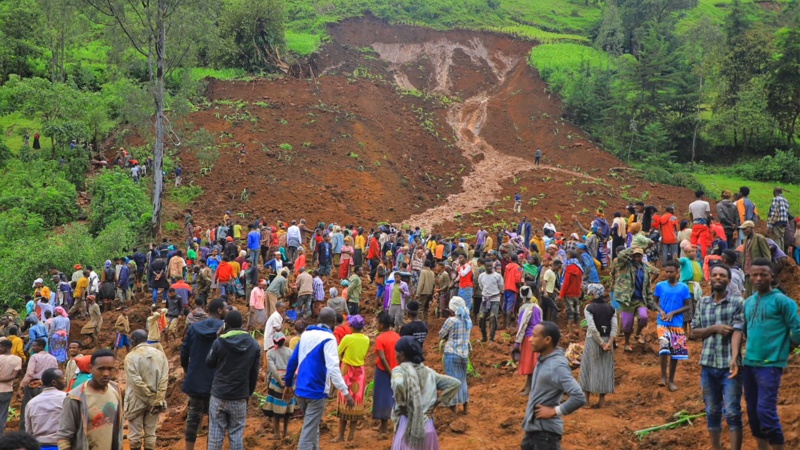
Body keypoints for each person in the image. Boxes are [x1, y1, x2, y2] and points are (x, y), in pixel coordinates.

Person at [735, 258, 800, 449]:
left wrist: (784, 349)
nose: (758, 278)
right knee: (754, 413)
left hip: (771, 365)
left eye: (763, 274)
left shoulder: (782, 301)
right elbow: (744, 330)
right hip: (750, 363)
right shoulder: (748, 302)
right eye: (754, 275)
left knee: (765, 411)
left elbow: (797, 330)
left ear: (772, 276)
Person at [690, 265, 744, 450]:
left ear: (729, 280)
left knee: (732, 412)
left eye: (723, 275)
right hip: (707, 364)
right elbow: (694, 332)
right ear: (710, 279)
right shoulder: (702, 302)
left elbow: (738, 330)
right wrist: (714, 329)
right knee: (712, 410)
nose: (718, 278)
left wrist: (734, 358)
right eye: (715, 275)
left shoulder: (738, 302)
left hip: (730, 366)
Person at [284, 307, 353, 450]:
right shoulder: (329, 339)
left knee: (312, 426)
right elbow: (333, 368)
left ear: (319, 319)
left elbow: (292, 361)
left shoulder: (305, 335)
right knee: (308, 431)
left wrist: (288, 384)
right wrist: (345, 392)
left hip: (300, 390)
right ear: (333, 322)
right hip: (316, 391)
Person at [521, 321, 586, 449]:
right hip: (533, 432)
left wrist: (554, 411)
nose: (530, 339)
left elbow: (579, 396)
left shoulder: (556, 365)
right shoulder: (544, 359)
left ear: (547, 340)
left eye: (534, 336)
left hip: (545, 436)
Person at [390, 336, 460, 450]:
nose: (395, 356)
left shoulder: (400, 370)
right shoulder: (430, 373)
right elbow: (455, 383)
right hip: (427, 426)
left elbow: (398, 384)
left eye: (396, 353)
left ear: (402, 355)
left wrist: (403, 403)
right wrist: (436, 403)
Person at [205, 311, 261, 450]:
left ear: (226, 325)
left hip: (219, 394)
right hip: (240, 396)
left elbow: (209, 363)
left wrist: (217, 338)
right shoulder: (253, 344)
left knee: (215, 435)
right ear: (241, 324)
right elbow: (254, 373)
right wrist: (248, 392)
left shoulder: (220, 342)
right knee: (236, 434)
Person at [181, 298, 227, 450]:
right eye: (225, 308)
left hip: (196, 378)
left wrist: (187, 370)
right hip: (217, 380)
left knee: (193, 416)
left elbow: (184, 352)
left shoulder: (194, 328)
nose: (227, 311)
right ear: (219, 311)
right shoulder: (225, 329)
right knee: (215, 419)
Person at [57, 349, 124, 450]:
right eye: (101, 369)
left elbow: (118, 429)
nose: (106, 373)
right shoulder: (75, 397)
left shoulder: (115, 390)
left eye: (110, 369)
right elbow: (64, 436)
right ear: (90, 368)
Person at [124, 330, 169, 450]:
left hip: (136, 400)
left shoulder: (130, 357)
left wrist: (149, 398)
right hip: (155, 401)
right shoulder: (160, 354)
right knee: (151, 433)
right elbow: (164, 380)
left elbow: (135, 382)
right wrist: (157, 399)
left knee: (135, 436)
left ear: (134, 340)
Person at [654, 260, 692, 391]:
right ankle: (663, 376)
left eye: (671, 272)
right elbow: (654, 302)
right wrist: (661, 311)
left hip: (677, 323)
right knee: (664, 348)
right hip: (662, 322)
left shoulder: (683, 287)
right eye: (667, 271)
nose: (668, 274)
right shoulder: (660, 286)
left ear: (678, 272)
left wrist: (673, 313)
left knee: (675, 354)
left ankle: (671, 380)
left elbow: (687, 306)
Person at [334, 315, 370, 443]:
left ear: (353, 326)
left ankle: (340, 435)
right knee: (356, 402)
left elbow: (338, 352)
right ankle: (351, 435)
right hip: (360, 372)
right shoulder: (366, 339)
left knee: (344, 399)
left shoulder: (347, 338)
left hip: (347, 371)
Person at [580, 284, 617, 408]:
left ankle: (586, 400)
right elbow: (615, 328)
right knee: (605, 369)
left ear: (592, 294)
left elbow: (592, 327)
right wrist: (608, 343)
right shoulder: (611, 308)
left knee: (588, 368)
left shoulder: (589, 308)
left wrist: (601, 343)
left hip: (593, 340)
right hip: (607, 341)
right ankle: (601, 401)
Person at [613, 247, 656, 352]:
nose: (637, 258)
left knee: (643, 317)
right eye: (635, 256)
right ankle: (627, 343)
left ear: (642, 257)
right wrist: (631, 248)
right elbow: (620, 256)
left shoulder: (645, 268)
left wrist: (650, 301)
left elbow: (647, 286)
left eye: (639, 256)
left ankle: (637, 334)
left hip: (640, 299)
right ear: (631, 256)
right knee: (627, 324)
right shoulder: (625, 266)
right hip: (628, 300)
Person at [439, 296, 472, 415]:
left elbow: (441, 334)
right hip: (464, 354)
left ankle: (452, 410)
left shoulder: (451, 320)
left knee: (452, 382)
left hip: (452, 353)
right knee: (463, 380)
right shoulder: (468, 320)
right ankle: (465, 407)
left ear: (452, 310)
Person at [261, 331, 295, 440]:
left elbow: (273, 369)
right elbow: (294, 367)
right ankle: (285, 432)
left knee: (275, 410)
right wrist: (288, 382)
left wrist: (280, 382)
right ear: (284, 341)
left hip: (276, 383)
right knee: (287, 408)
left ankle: (277, 434)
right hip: (289, 383)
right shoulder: (290, 351)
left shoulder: (270, 353)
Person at [20, 338, 58, 432]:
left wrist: (22, 386)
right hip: (46, 386)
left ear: (41, 347)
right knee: (44, 410)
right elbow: (55, 373)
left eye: (34, 345)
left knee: (26, 409)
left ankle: (24, 433)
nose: (32, 347)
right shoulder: (53, 358)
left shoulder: (35, 357)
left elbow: (29, 373)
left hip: (33, 386)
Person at [23, 367, 66, 448]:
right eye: (62, 378)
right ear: (54, 382)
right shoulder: (67, 399)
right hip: (62, 445)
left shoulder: (31, 403)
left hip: (39, 445)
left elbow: (28, 430)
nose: (65, 381)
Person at [372, 312, 400, 435]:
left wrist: (390, 372)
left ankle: (383, 427)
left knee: (382, 398)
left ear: (382, 325)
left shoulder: (380, 338)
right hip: (396, 369)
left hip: (384, 371)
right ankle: (392, 425)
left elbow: (382, 358)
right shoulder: (397, 336)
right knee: (393, 396)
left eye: (377, 323)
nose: (375, 325)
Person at [516, 286, 542, 396]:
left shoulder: (523, 309)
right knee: (534, 361)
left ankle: (530, 387)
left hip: (528, 338)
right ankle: (528, 384)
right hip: (538, 336)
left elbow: (522, 326)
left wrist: (517, 342)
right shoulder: (537, 307)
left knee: (529, 363)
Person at [739, 220, 771, 296]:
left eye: (745, 229)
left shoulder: (759, 238)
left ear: (751, 228)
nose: (744, 231)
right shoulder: (745, 240)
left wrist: (765, 271)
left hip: (758, 273)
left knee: (758, 294)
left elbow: (767, 256)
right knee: (748, 295)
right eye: (743, 229)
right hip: (747, 273)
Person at [478, 261, 504, 342]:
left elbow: (501, 287)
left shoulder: (497, 276)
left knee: (493, 318)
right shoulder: (481, 276)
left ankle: (492, 338)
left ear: (492, 266)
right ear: (484, 266)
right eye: (487, 266)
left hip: (495, 299)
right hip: (485, 299)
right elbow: (481, 286)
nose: (489, 267)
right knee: (481, 318)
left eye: (490, 266)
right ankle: (484, 336)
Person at [0, 340, 22, 436]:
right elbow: (14, 376)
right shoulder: (17, 359)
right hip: (6, 391)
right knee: (3, 415)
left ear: (4, 348)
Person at [560, 251, 584, 339]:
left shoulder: (569, 268)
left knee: (570, 313)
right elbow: (581, 281)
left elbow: (566, 283)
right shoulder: (580, 268)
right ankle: (579, 331)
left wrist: (561, 294)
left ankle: (570, 332)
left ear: (569, 256)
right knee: (577, 313)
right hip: (576, 293)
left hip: (569, 293)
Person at [690, 190, 713, 257]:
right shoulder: (705, 203)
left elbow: (691, 216)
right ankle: (703, 257)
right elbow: (708, 215)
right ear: (702, 196)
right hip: (703, 225)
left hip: (695, 225)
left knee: (693, 242)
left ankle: (692, 256)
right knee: (703, 243)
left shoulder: (691, 205)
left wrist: (693, 223)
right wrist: (708, 224)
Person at [766, 187, 790, 252]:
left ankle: (777, 256)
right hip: (784, 223)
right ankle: (781, 255)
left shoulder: (776, 199)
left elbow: (774, 213)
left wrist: (769, 226)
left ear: (775, 193)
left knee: (775, 240)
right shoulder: (786, 200)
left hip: (777, 222)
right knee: (781, 239)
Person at [502, 254, 522, 329]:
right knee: (510, 307)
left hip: (506, 287)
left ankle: (504, 324)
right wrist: (520, 288)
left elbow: (505, 276)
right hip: (513, 289)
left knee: (505, 305)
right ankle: (508, 325)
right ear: (517, 260)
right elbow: (517, 280)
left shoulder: (507, 266)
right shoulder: (518, 268)